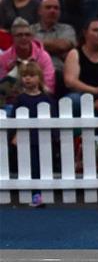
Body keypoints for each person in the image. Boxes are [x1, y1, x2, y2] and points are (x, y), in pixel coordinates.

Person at [9, 61, 57, 207]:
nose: (27, 78)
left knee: (45, 167)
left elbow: (54, 119)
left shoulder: (47, 99)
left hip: (43, 139)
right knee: (30, 167)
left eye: (31, 75)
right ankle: (35, 195)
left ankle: (44, 193)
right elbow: (13, 119)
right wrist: (14, 135)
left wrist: (55, 136)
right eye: (24, 76)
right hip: (25, 140)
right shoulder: (20, 99)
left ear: (39, 78)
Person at [0, 19, 56, 93]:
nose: (24, 38)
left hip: (40, 97)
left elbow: (49, 87)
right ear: (12, 38)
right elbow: (2, 91)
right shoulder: (4, 58)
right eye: (19, 35)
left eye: (27, 35)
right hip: (13, 100)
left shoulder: (43, 56)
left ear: (32, 37)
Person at [30, 0, 77, 74]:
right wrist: (57, 50)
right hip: (34, 73)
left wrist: (35, 45)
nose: (52, 11)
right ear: (39, 11)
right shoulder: (30, 29)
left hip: (59, 72)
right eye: (48, 7)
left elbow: (62, 46)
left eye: (56, 8)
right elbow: (24, 47)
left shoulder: (67, 29)